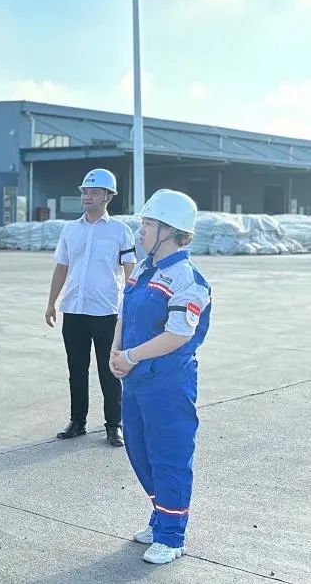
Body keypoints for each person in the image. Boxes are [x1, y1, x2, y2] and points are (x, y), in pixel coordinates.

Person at [109, 189, 212, 565]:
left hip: (167, 385)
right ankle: (160, 517)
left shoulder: (188, 280)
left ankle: (172, 535)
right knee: (140, 452)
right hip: (135, 381)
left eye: (149, 224)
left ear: (171, 232)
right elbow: (125, 313)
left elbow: (178, 335)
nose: (141, 231)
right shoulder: (143, 269)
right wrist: (115, 350)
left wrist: (131, 356)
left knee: (169, 457)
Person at [45, 168, 136, 446]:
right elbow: (62, 267)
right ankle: (78, 421)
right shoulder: (70, 230)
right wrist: (51, 303)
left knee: (110, 369)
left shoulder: (120, 231)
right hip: (74, 310)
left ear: (108, 196)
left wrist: (132, 307)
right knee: (76, 368)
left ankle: (114, 424)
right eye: (85, 192)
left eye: (94, 192)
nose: (87, 197)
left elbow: (130, 272)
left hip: (106, 312)